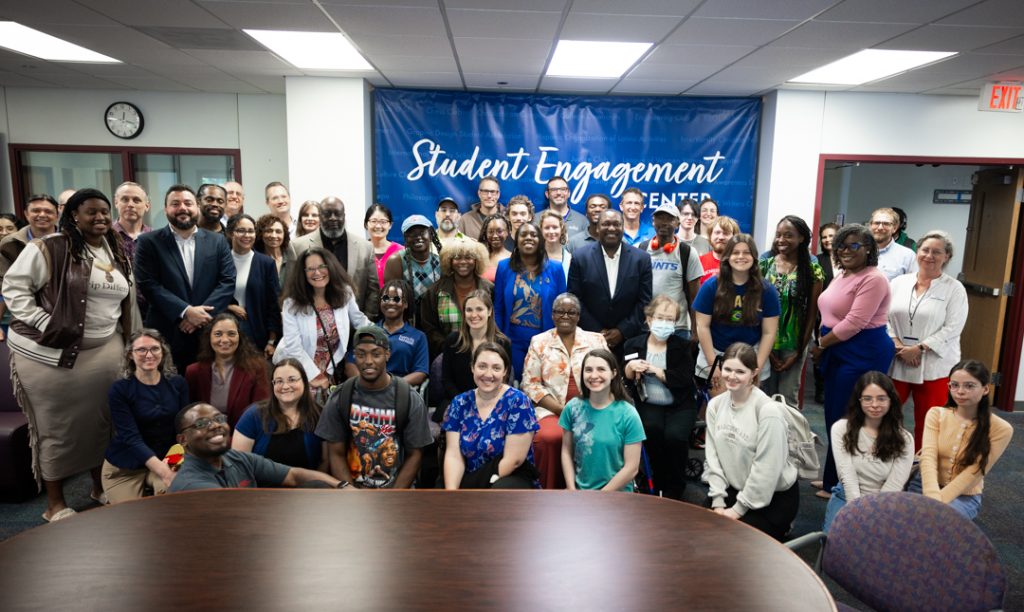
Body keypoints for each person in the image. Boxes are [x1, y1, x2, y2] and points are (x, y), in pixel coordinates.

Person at [4, 188, 139, 522]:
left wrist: (132, 343)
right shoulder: (48, 247)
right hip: (51, 356)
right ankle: (55, 504)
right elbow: (13, 288)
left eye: (105, 212)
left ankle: (99, 486)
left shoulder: (115, 249)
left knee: (101, 424)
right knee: (57, 429)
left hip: (104, 351)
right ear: (73, 215)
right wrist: (45, 323)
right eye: (91, 212)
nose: (100, 218)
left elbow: (128, 301)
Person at [809, 224, 895, 498]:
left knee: (850, 417)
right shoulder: (844, 274)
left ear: (868, 249)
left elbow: (854, 323)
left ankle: (844, 484)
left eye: (854, 245)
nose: (846, 251)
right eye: (842, 246)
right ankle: (831, 478)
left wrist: (821, 343)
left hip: (861, 350)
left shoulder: (874, 279)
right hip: (837, 348)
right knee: (834, 413)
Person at [134, 184, 236, 372]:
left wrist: (200, 316)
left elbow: (227, 281)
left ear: (197, 206)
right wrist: (185, 311)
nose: (182, 208)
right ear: (166, 209)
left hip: (208, 333)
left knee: (206, 390)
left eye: (188, 203)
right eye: (175, 203)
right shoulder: (148, 242)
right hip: (167, 332)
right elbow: (148, 284)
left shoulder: (218, 241)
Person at [316, 326, 433, 488]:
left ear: (387, 354)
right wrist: (350, 494)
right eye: (361, 354)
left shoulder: (409, 398)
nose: (368, 361)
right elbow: (335, 452)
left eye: (376, 354)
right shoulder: (341, 396)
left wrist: (394, 497)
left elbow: (415, 455)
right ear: (354, 357)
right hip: (351, 491)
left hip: (396, 492)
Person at [703, 343, 799, 541]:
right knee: (700, 531)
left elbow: (766, 470)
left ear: (754, 374)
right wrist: (718, 502)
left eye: (740, 371)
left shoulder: (769, 412)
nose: (732, 376)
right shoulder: (715, 406)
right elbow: (713, 459)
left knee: (733, 544)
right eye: (728, 369)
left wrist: (736, 511)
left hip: (771, 499)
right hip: (733, 489)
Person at [888, 230, 968, 450]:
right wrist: (897, 343)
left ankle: (920, 471)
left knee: (930, 422)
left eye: (937, 252)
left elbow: (953, 327)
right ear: (917, 252)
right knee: (886, 416)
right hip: (899, 358)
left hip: (934, 365)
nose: (929, 255)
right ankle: (887, 462)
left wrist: (920, 348)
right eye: (925, 250)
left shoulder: (954, 289)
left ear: (947, 257)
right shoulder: (898, 283)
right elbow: (882, 316)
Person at [521, 292, 608, 489]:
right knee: (548, 438)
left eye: (571, 312)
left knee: (600, 438)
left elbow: (609, 376)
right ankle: (548, 491)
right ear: (552, 315)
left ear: (579, 315)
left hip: (593, 409)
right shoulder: (539, 342)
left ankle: (593, 492)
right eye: (560, 311)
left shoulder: (596, 341)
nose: (565, 316)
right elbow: (530, 385)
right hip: (552, 411)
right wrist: (563, 411)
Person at [908, 360, 1014, 520]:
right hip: (924, 484)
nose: (960, 391)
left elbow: (974, 472)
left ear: (985, 389)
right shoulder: (936, 414)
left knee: (939, 523)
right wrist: (932, 497)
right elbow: (928, 457)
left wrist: (936, 505)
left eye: (969, 386)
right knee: (904, 520)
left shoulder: (1001, 428)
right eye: (954, 385)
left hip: (964, 495)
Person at [168, 403, 345, 492]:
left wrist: (343, 487)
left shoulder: (236, 458)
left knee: (316, 486)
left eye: (219, 418)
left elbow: (293, 475)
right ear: (182, 440)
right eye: (202, 423)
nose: (215, 426)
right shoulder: (191, 485)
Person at [623, 296, 698, 500]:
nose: (664, 324)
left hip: (679, 403)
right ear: (649, 319)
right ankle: (655, 479)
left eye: (669, 320)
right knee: (652, 431)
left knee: (675, 437)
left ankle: (676, 484)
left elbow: (684, 378)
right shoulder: (632, 344)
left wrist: (657, 371)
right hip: (648, 401)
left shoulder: (682, 346)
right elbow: (626, 380)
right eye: (660, 318)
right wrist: (630, 369)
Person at [102, 330, 189, 504]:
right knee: (132, 521)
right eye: (141, 350)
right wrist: (165, 474)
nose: (149, 355)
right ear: (130, 355)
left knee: (172, 507)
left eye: (155, 349)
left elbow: (185, 428)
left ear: (163, 352)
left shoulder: (178, 383)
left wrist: (173, 468)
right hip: (126, 468)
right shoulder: (119, 390)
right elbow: (131, 438)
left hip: (168, 459)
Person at [822, 371, 914, 532]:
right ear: (858, 400)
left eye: (881, 398)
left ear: (891, 400)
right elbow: (847, 475)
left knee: (877, 551)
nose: (874, 405)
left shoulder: (904, 439)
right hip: (847, 497)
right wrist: (857, 512)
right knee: (835, 547)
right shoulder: (841, 429)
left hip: (885, 503)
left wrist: (874, 513)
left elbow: (895, 483)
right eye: (867, 398)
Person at [275, 247, 370, 398]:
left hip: (329, 369)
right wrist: (315, 376)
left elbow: (359, 320)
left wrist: (382, 334)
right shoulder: (291, 303)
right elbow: (293, 347)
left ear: (330, 267)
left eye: (321, 267)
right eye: (310, 269)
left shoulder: (344, 292)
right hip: (298, 369)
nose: (317, 273)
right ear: (303, 274)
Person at [442, 342, 539, 489]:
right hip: (469, 475)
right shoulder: (459, 403)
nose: (488, 374)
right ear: (472, 368)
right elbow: (454, 455)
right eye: (482, 366)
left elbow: (514, 461)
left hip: (509, 476)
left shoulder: (518, 402)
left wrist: (470, 490)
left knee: (500, 489)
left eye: (496, 368)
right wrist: (452, 493)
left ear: (505, 371)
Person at [693, 234, 780, 382]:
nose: (741, 257)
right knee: (717, 404)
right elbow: (702, 326)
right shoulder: (710, 286)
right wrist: (712, 363)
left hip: (752, 354)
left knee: (749, 404)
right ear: (727, 257)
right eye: (735, 252)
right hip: (716, 353)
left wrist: (756, 367)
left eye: (746, 252)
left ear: (754, 257)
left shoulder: (767, 290)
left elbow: (769, 333)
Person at [567, 210, 653, 355]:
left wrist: (622, 331)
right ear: (598, 228)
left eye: (616, 224)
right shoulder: (580, 257)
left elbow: (645, 300)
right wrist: (597, 332)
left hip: (629, 340)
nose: (611, 228)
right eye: (606, 224)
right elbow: (575, 298)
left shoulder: (641, 259)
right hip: (590, 339)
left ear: (623, 227)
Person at [560, 348, 645, 491]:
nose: (594, 375)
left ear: (614, 373)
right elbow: (566, 451)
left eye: (601, 369)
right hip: (579, 494)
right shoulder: (572, 408)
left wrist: (600, 496)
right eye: (588, 370)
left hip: (616, 494)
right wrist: (570, 488)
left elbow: (631, 468)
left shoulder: (628, 414)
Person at [760, 216, 823, 407]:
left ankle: (789, 438)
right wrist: (767, 350)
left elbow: (812, 314)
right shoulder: (764, 266)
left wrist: (798, 351)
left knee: (787, 401)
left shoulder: (813, 270)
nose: (781, 240)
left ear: (801, 238)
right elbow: (758, 309)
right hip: (765, 341)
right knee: (763, 399)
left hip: (794, 343)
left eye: (789, 235)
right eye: (779, 235)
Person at [494, 222, 566, 379]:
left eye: (533, 235)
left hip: (546, 340)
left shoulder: (555, 268)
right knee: (517, 384)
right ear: (516, 240)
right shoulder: (504, 267)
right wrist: (500, 338)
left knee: (542, 384)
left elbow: (562, 309)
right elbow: (498, 308)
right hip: (513, 341)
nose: (528, 238)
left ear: (540, 240)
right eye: (523, 235)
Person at [290, 196, 379, 320]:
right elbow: (293, 288)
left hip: (355, 326)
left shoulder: (366, 248)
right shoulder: (298, 247)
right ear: (320, 216)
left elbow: (373, 290)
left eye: (337, 213)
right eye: (327, 214)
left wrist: (366, 325)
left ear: (344, 216)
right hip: (313, 326)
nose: (333, 218)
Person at [232, 358, 327, 471]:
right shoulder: (253, 415)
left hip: (307, 486)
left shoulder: (320, 415)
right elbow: (238, 464)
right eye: (279, 381)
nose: (285, 386)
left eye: (292, 380)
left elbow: (325, 462)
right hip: (260, 486)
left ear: (304, 382)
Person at [185, 313, 270, 426]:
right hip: (206, 438)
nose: (225, 340)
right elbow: (191, 417)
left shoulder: (257, 368)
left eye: (231, 334)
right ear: (209, 337)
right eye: (218, 334)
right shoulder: (193, 372)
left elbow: (261, 411)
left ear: (239, 337)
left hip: (244, 435)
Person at [419, 237, 492, 358]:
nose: (463, 262)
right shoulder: (435, 292)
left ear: (477, 261)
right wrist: (450, 347)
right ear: (449, 261)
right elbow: (429, 328)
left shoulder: (489, 289)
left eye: (468, 257)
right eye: (457, 258)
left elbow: (495, 322)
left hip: (483, 353)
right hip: (446, 355)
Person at [0, 195, 60, 342]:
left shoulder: (71, 240)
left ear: (57, 215)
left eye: (48, 211)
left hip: (62, 313)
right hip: (23, 316)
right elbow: (4, 284)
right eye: (36, 210)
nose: (42, 215)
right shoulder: (9, 244)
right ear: (26, 214)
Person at [345, 280, 428, 385]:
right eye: (385, 298)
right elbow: (350, 365)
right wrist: (365, 385)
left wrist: (390, 386)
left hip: (400, 391)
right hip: (366, 390)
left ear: (405, 304)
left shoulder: (418, 336)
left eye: (397, 299)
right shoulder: (366, 330)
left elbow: (420, 373)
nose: (390, 302)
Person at [441, 290, 512, 412]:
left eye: (479, 309)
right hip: (458, 401)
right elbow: (447, 380)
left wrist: (484, 403)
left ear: (489, 311)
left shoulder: (503, 343)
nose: (474, 315)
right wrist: (464, 402)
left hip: (492, 403)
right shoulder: (452, 341)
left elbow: (503, 379)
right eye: (469, 310)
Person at [641, 202, 703, 340]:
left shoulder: (686, 252)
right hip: (647, 326)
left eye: (669, 219)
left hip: (678, 327)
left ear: (677, 223)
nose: (664, 222)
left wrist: (695, 330)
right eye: (660, 218)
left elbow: (695, 296)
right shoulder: (641, 249)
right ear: (653, 222)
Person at [225, 214, 281, 355]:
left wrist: (271, 341)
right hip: (226, 333)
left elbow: (274, 304)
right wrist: (229, 306)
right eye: (241, 230)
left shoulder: (266, 263)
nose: (247, 235)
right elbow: (210, 294)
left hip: (257, 334)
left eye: (251, 231)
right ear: (230, 233)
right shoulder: (221, 261)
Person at [383, 215, 442, 314]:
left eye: (422, 233)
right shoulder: (396, 261)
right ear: (406, 238)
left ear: (431, 235)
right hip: (406, 320)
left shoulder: (440, 262)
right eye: (412, 234)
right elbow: (392, 300)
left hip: (434, 319)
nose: (418, 237)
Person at [812, 222, 840, 403]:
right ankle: (820, 388)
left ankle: (836, 386)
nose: (828, 239)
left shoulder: (849, 259)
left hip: (843, 316)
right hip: (821, 314)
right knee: (820, 348)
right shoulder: (818, 260)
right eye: (824, 237)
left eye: (832, 235)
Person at [869, 207, 917, 280]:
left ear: (894, 228)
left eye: (886, 224)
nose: (880, 227)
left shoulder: (908, 256)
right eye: (876, 223)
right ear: (870, 226)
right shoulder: (858, 252)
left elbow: (915, 284)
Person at [111, 181, 151, 262]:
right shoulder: (105, 235)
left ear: (147, 206)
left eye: (136, 200)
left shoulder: (155, 238)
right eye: (125, 199)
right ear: (116, 203)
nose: (130, 205)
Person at [365, 203, 403, 288]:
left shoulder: (401, 251)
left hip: (392, 300)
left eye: (383, 222)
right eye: (373, 221)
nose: (378, 226)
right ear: (366, 224)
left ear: (390, 225)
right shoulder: (360, 250)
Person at [457, 175, 505, 240]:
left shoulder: (508, 218)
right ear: (479, 193)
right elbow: (457, 246)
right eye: (485, 191)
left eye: (492, 192)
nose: (489, 196)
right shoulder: (465, 220)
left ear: (498, 194)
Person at [698, 215, 740, 285]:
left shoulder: (741, 263)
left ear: (734, 238)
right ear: (710, 236)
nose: (721, 237)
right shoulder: (699, 262)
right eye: (717, 232)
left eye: (726, 233)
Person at [255, 213, 291, 286]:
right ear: (261, 234)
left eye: (278, 232)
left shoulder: (292, 257)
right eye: (269, 231)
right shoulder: (254, 259)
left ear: (284, 235)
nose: (274, 236)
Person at [477, 213, 511, 283]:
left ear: (507, 232)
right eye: (490, 232)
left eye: (499, 231)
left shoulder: (512, 258)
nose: (495, 236)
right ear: (485, 233)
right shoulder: (479, 258)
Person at [539, 209, 571, 281]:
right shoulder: (533, 256)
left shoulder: (569, 259)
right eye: (547, 228)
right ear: (541, 229)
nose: (551, 231)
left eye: (555, 227)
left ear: (561, 228)